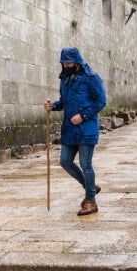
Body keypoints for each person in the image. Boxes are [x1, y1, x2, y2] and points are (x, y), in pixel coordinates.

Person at [44, 47, 107, 216]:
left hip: (86, 128)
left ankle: (90, 201)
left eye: (69, 62)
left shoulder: (91, 77)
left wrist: (83, 115)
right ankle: (90, 186)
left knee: (86, 164)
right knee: (65, 161)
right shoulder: (65, 78)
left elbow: (101, 100)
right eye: (64, 62)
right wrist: (53, 106)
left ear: (77, 61)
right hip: (70, 129)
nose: (66, 65)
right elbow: (64, 101)